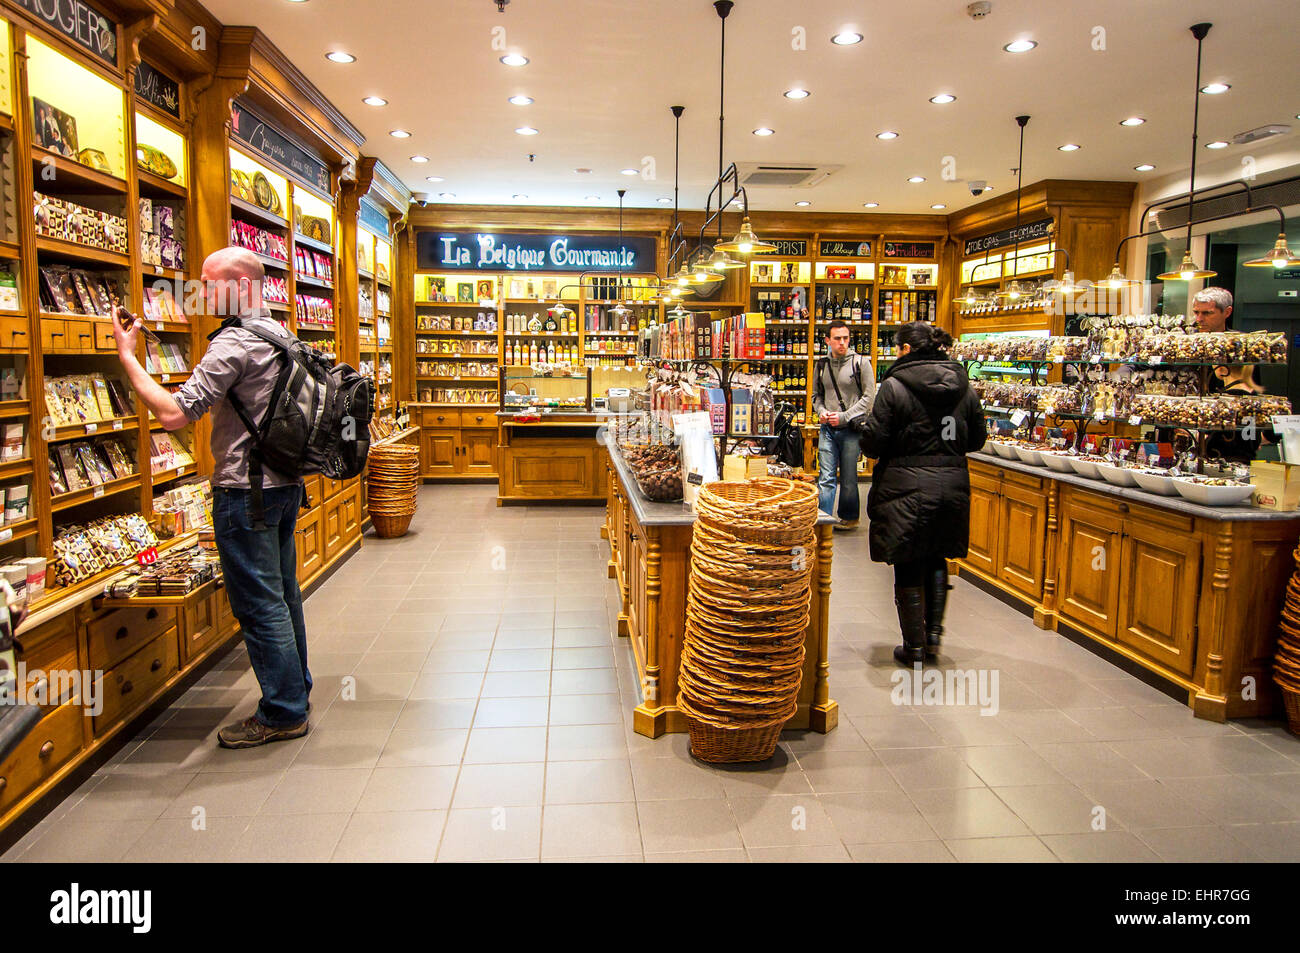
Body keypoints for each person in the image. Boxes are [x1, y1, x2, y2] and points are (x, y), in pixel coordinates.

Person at [112, 247, 312, 749]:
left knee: (259, 603)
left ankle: (284, 711)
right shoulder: (283, 334)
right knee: (284, 596)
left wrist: (128, 358)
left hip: (245, 493)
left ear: (241, 286)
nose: (199, 291)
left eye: (208, 281)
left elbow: (177, 415)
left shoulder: (232, 345)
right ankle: (295, 689)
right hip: (285, 485)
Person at [852, 322, 987, 665]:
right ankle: (933, 640)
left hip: (904, 484)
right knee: (937, 557)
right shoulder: (964, 386)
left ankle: (913, 647)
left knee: (908, 561)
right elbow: (976, 439)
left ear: (907, 350)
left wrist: (866, 431)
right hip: (952, 483)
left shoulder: (895, 386)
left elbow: (874, 444)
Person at [813, 319, 876, 531]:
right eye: (837, 338)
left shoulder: (861, 363)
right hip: (827, 429)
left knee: (849, 477)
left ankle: (849, 517)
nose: (842, 342)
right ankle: (823, 520)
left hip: (851, 430)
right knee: (826, 477)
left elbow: (869, 398)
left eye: (845, 338)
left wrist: (844, 416)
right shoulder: (821, 365)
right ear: (827, 340)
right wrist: (821, 412)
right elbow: (816, 396)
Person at [1191, 286, 1265, 462]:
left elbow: (1250, 407)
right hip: (1193, 440)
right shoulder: (1186, 343)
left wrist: (1249, 443)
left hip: (1230, 449)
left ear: (1227, 312)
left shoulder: (1241, 346)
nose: (1199, 319)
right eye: (1196, 312)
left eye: (1207, 313)